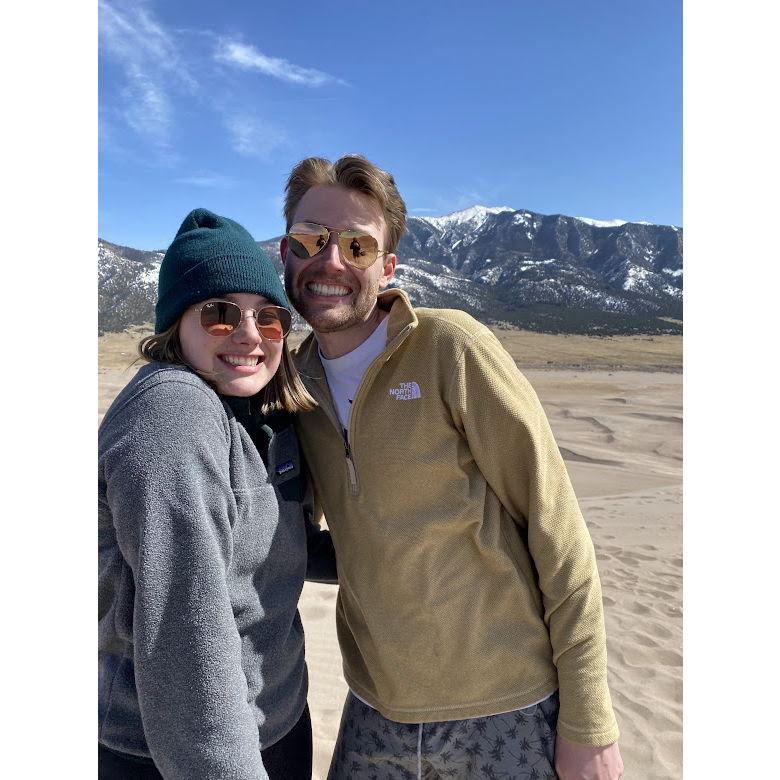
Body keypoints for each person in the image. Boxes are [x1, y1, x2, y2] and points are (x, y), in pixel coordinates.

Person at [279, 155, 624, 779]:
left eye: (358, 245)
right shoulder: (293, 384)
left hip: (506, 709)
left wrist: (590, 725)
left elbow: (558, 532)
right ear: (285, 253)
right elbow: (321, 534)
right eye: (311, 239)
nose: (331, 261)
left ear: (387, 267)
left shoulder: (450, 349)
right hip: (375, 709)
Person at [98, 208, 336, 780]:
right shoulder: (173, 419)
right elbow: (184, 632)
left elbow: (277, 548)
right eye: (221, 315)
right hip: (171, 751)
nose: (251, 336)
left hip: (272, 720)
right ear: (175, 324)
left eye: (270, 318)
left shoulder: (257, 413)